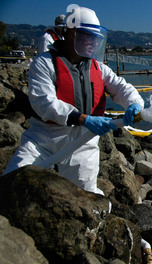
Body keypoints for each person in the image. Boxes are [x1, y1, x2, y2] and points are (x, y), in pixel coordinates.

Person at [3, 6, 144, 196]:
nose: (94, 43)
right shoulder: (44, 63)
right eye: (89, 37)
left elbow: (122, 88)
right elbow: (44, 102)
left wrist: (134, 104)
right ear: (72, 35)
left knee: (85, 197)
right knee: (12, 183)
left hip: (84, 143)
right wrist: (83, 118)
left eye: (96, 39)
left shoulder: (99, 68)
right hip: (45, 139)